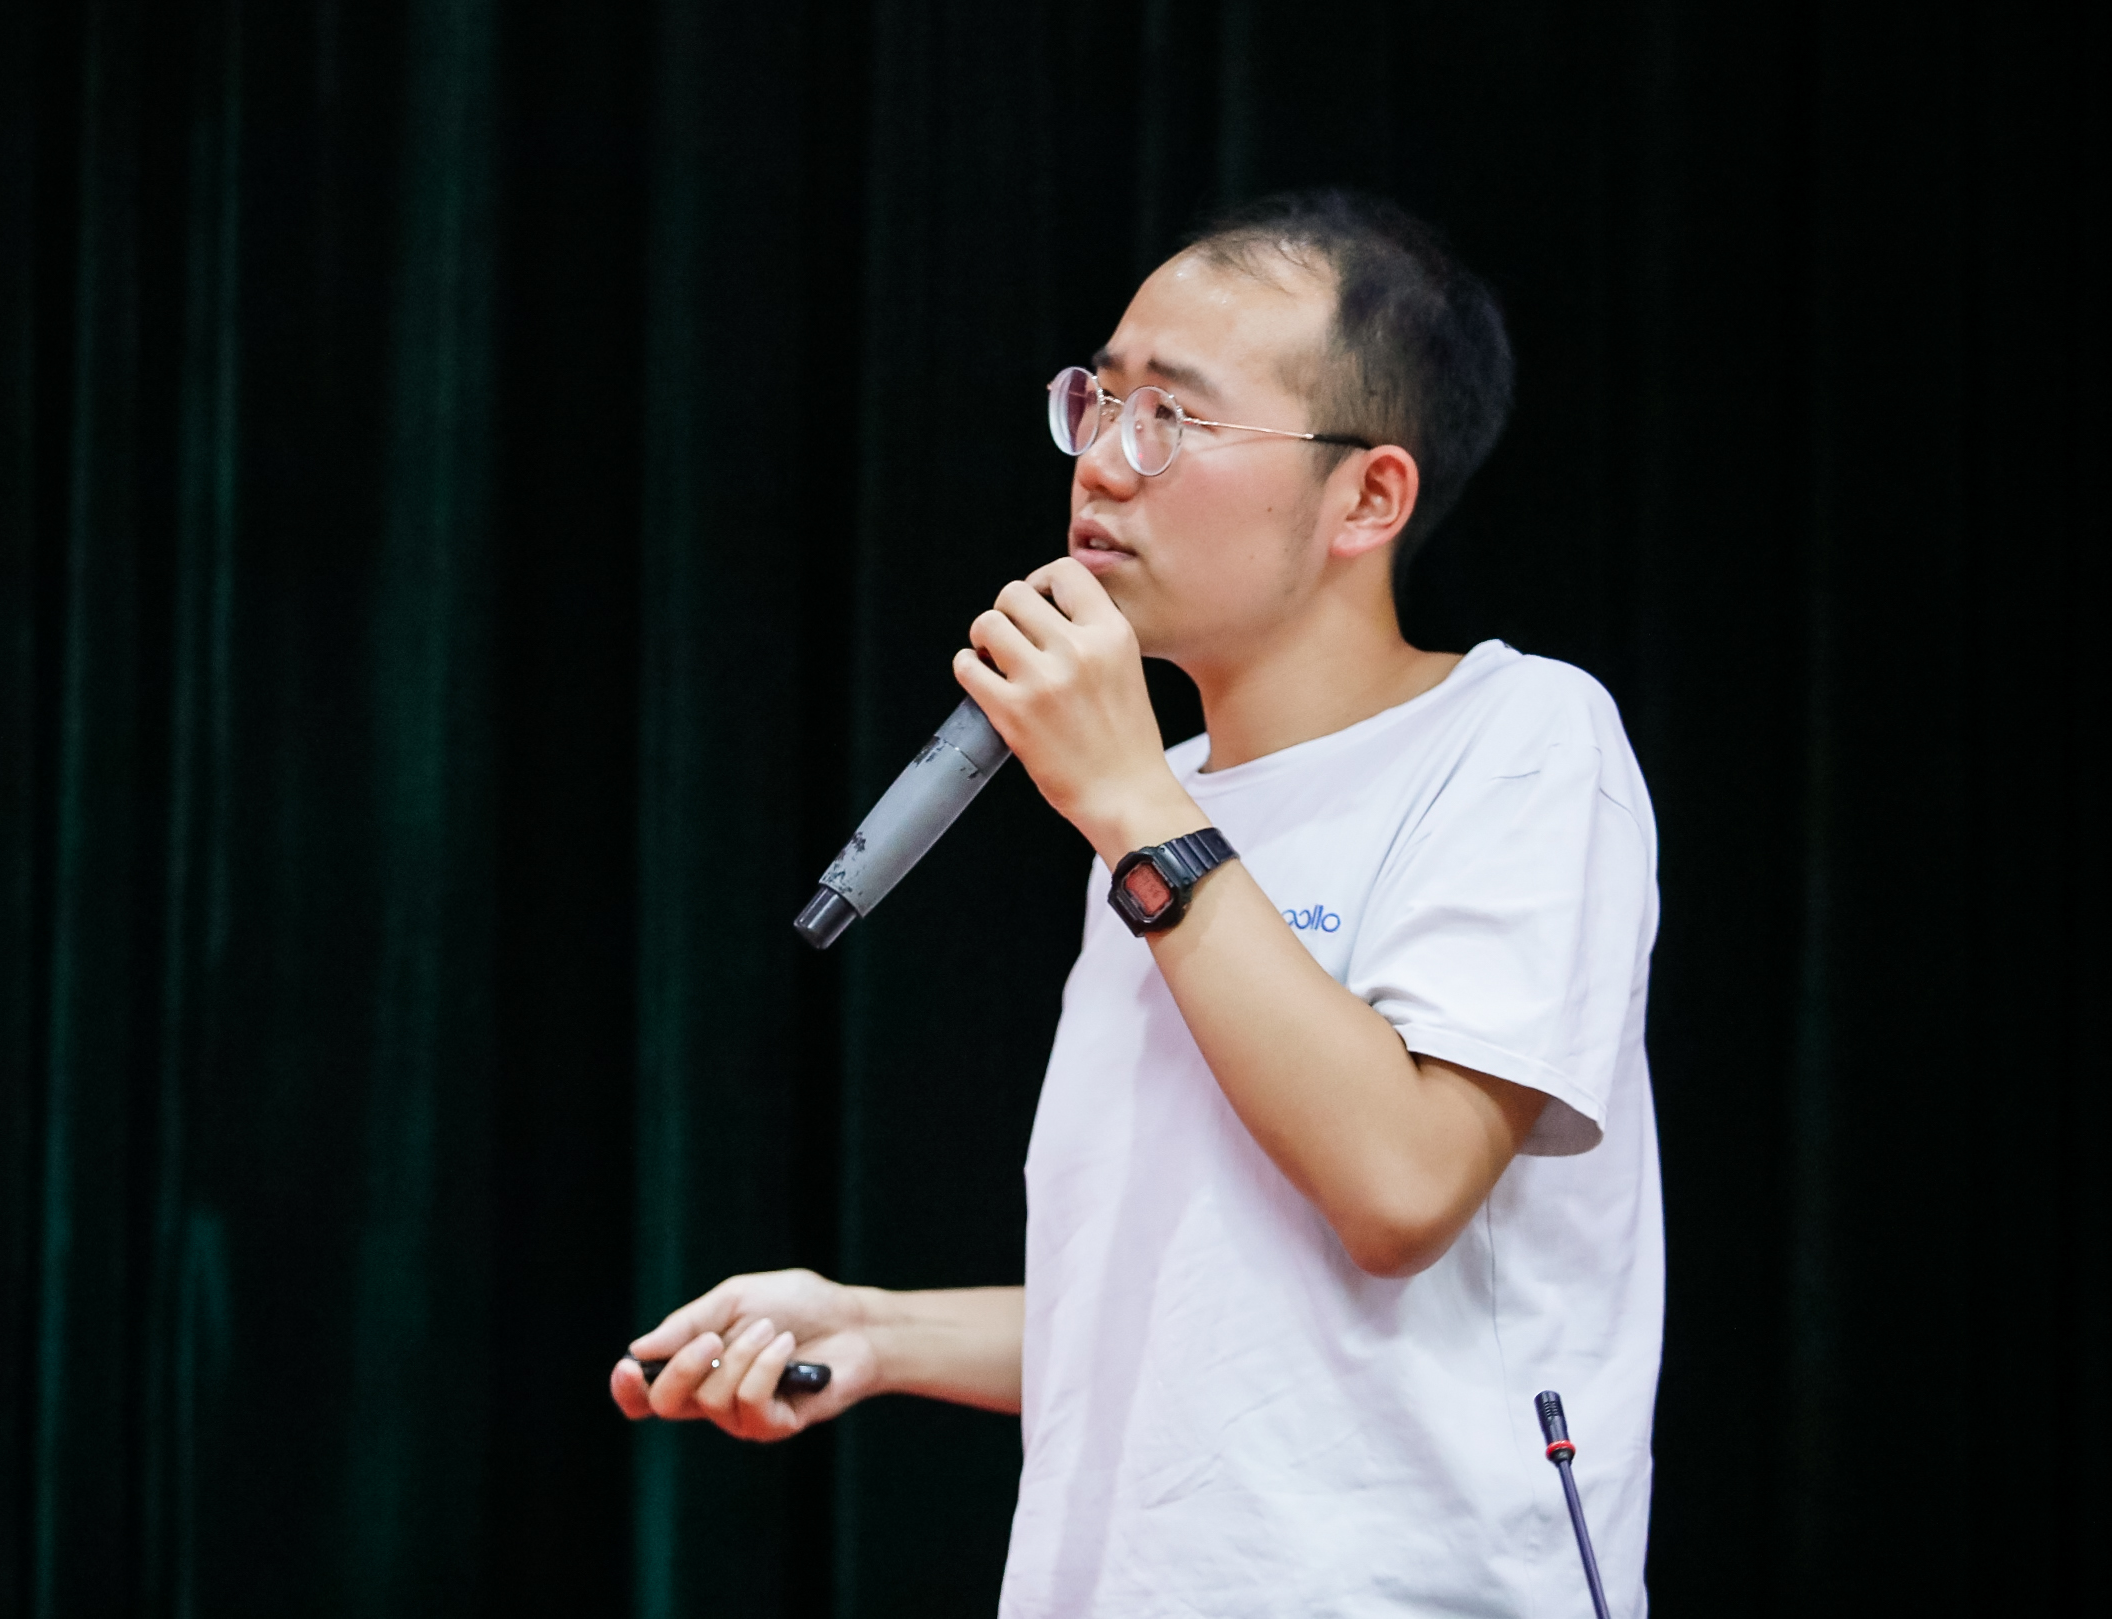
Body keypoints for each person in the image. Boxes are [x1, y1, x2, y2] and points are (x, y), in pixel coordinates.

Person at [610, 189, 1662, 1618]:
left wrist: (1133, 807)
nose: (1101, 463)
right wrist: (875, 1329)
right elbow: (1203, 1319)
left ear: (1368, 498)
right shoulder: (1167, 807)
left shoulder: (1517, 737)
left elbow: (1401, 1189)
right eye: (1094, 401)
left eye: (1170, 417)